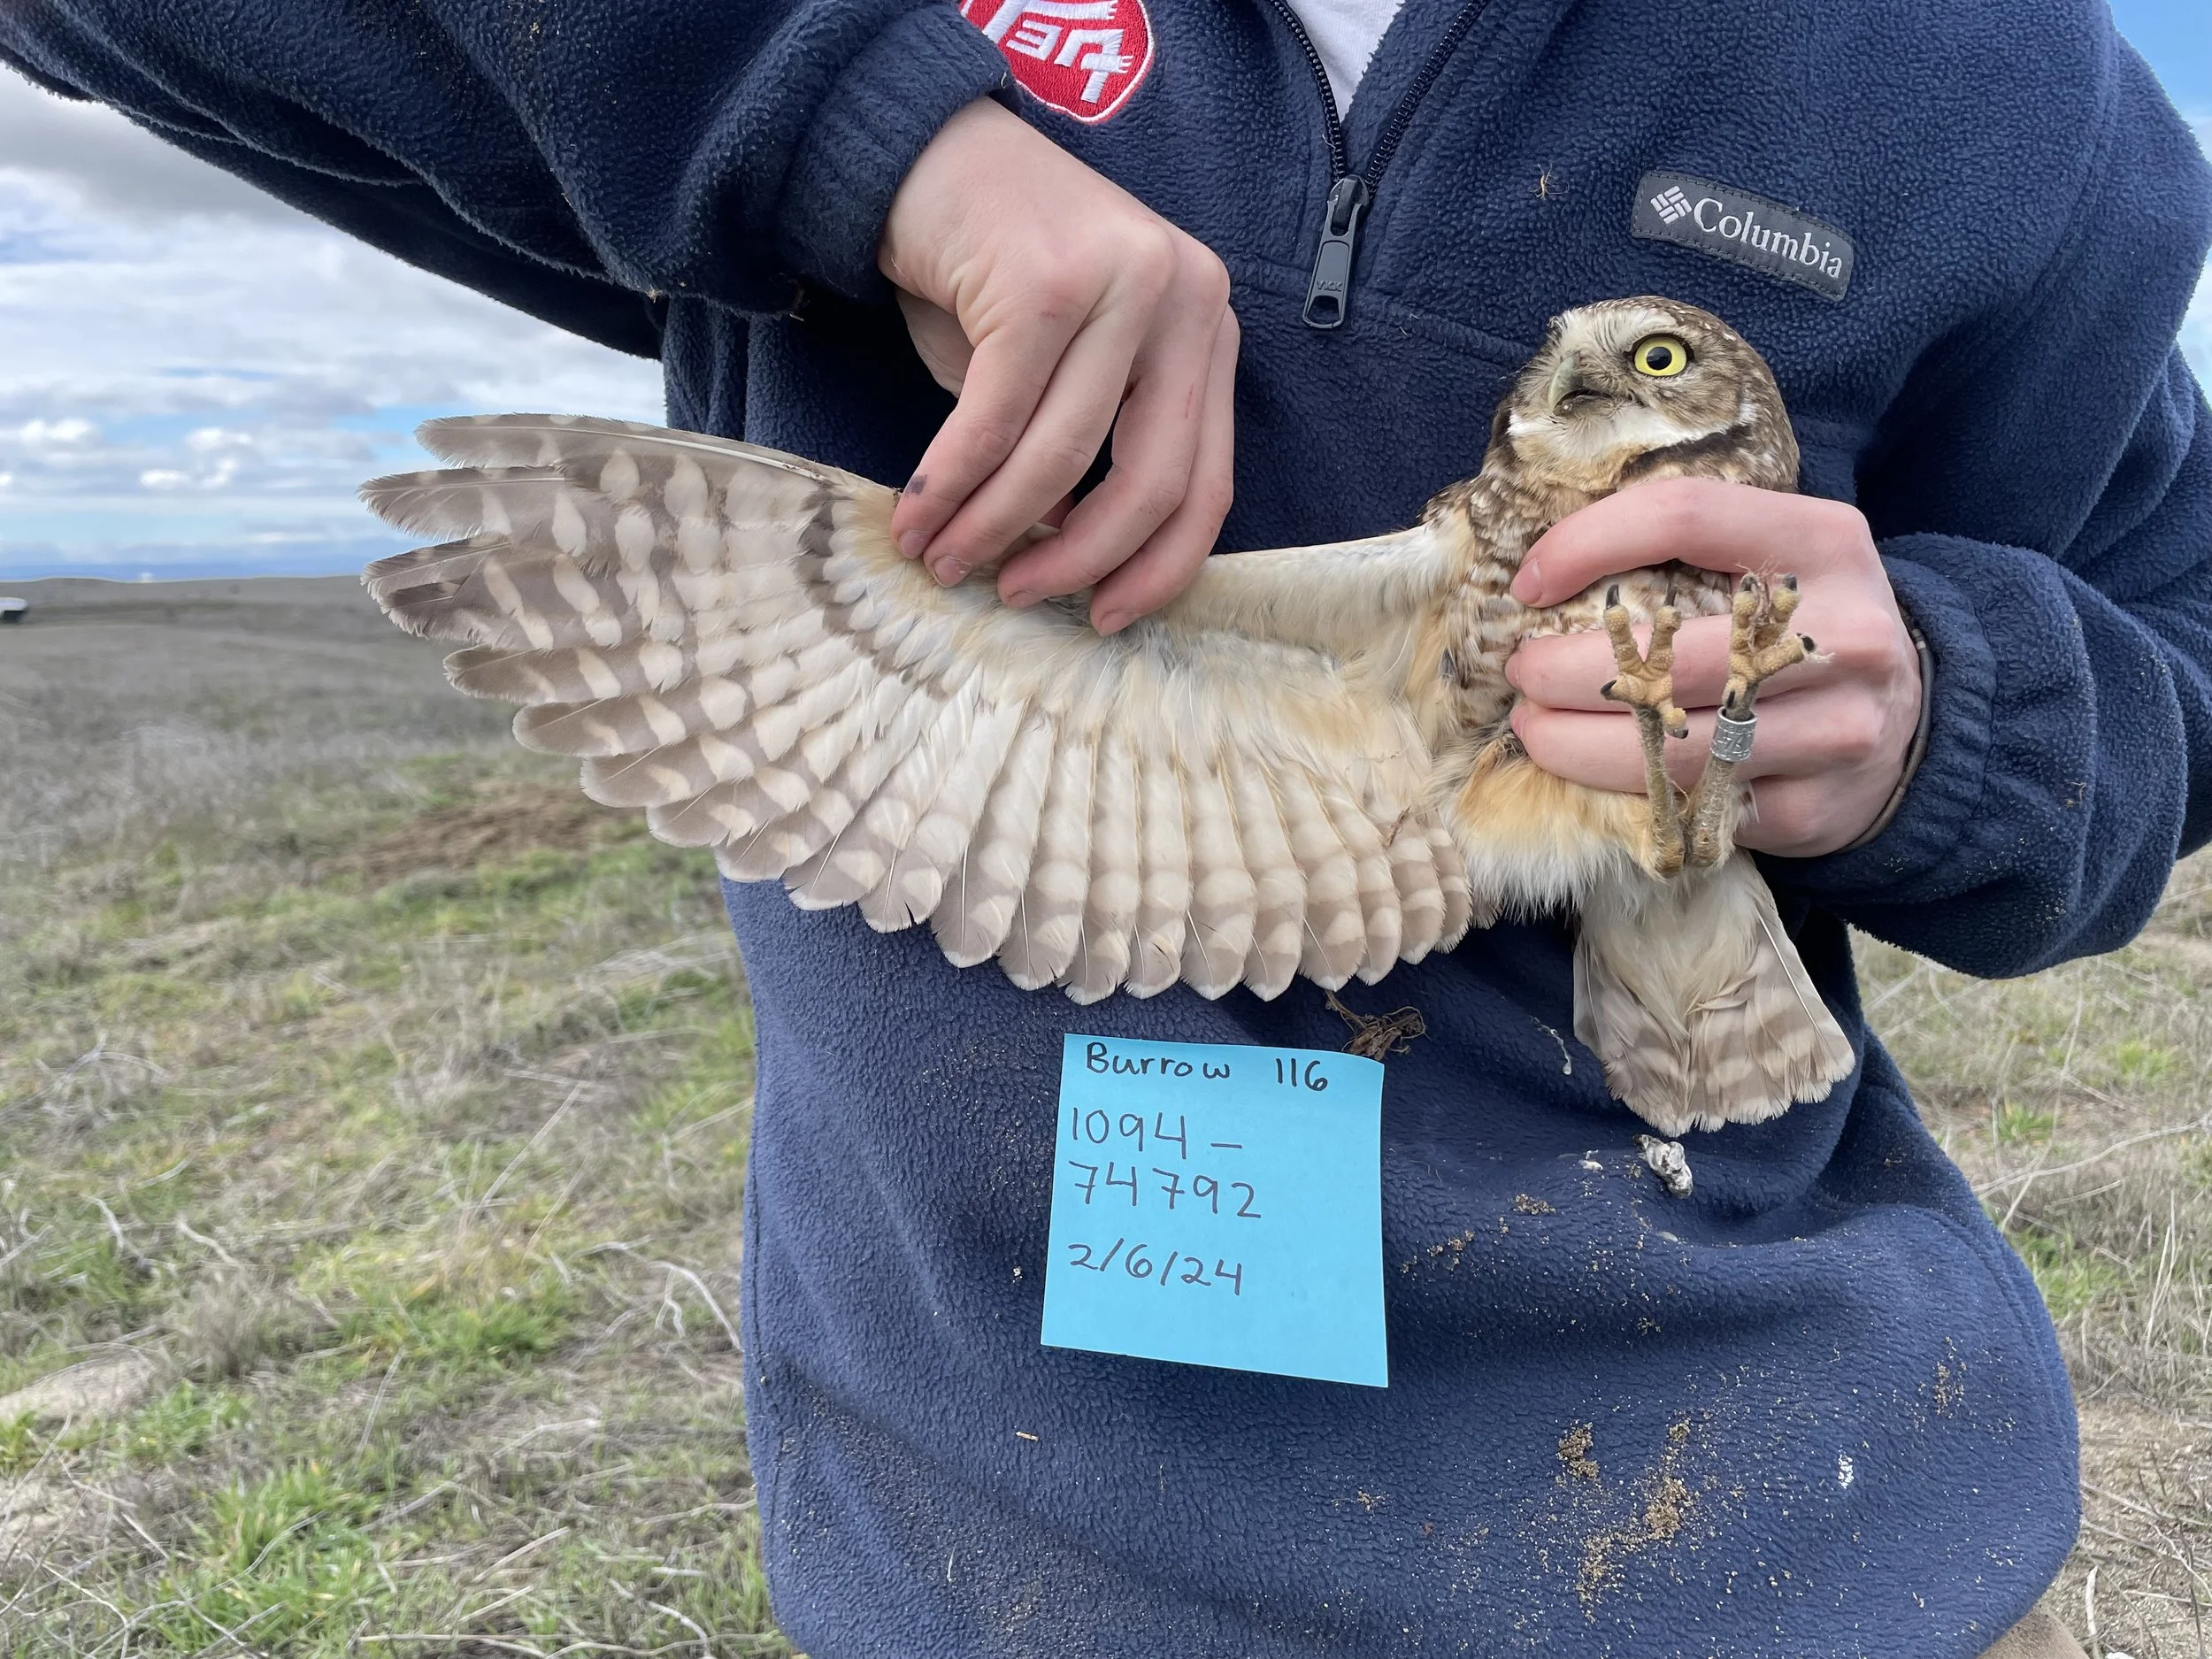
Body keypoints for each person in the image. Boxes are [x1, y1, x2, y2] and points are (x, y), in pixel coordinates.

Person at [6, 1, 2206, 1653]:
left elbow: (2172, 635)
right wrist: (856, 117)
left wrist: (1947, 705)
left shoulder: (1993, 78)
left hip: (1799, 1531)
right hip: (1022, 1554)